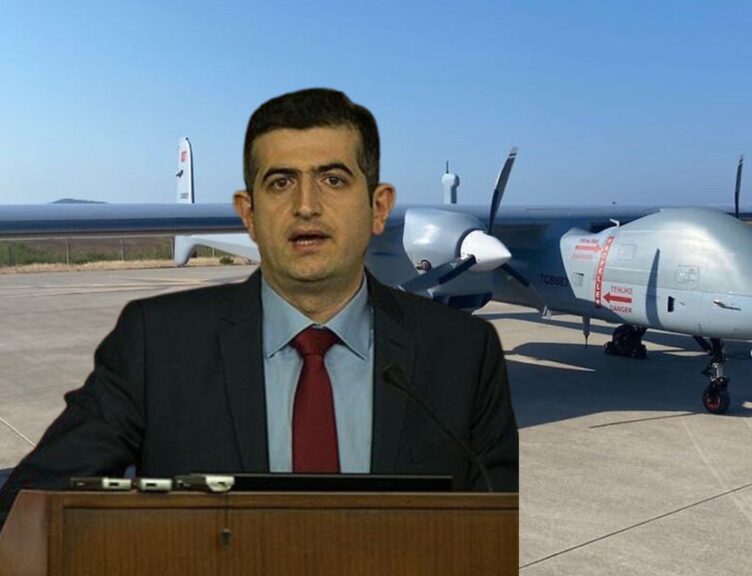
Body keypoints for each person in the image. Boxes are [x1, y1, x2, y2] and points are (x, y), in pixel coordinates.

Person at [0, 88, 518, 528]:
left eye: (334, 180)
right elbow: (28, 511)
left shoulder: (466, 352)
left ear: (379, 207)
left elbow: (490, 533)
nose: (306, 206)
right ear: (247, 213)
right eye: (280, 182)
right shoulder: (154, 344)